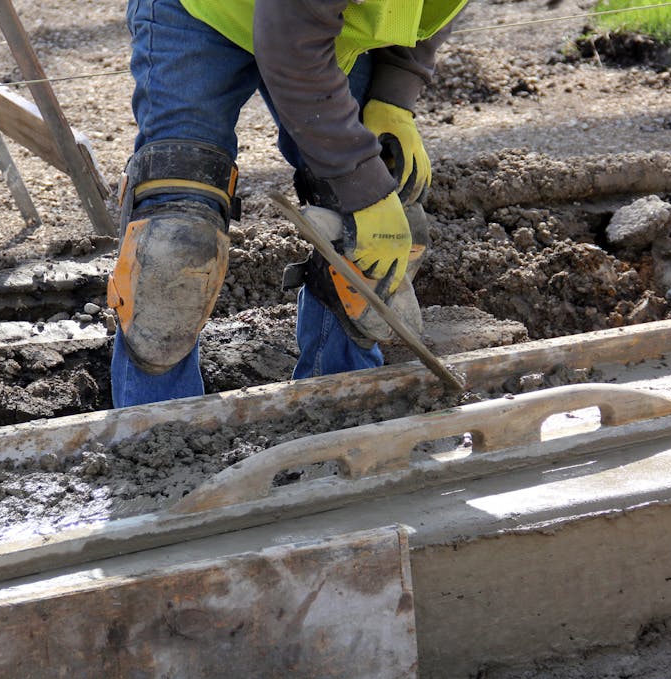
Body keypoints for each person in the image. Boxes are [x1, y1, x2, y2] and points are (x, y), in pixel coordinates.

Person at [107, 0, 468, 408]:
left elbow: (431, 10)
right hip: (200, 12)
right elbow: (289, 48)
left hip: (326, 25)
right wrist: (361, 185)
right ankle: (155, 443)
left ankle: (344, 410)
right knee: (173, 247)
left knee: (372, 239)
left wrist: (393, 96)